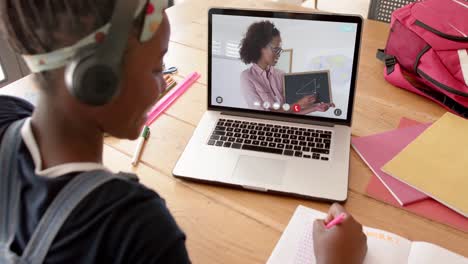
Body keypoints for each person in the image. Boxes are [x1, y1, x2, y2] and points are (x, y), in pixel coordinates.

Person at [0, 1, 366, 263]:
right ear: (97, 80)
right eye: (158, 68)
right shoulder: (135, 228)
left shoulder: (6, 114)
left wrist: (306, 105)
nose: (164, 84)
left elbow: (286, 103)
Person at [239, 21, 334, 114]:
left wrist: (315, 108)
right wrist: (299, 104)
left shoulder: (280, 74)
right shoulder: (247, 77)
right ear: (261, 47)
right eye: (276, 49)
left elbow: (291, 112)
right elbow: (263, 115)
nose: (279, 54)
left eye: (279, 50)